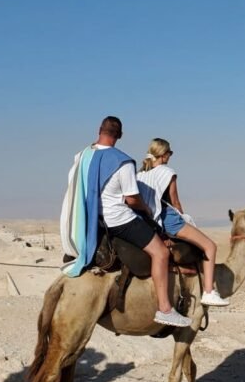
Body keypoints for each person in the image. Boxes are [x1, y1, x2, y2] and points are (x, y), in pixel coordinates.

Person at [59, 117, 191, 328]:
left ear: (99, 130)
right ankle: (165, 309)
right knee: (162, 253)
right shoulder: (123, 161)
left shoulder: (81, 156)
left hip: (94, 219)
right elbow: (131, 199)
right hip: (120, 220)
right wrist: (146, 208)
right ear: (119, 136)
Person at [136, 138, 229, 307]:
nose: (170, 156)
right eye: (169, 153)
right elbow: (175, 203)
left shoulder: (140, 175)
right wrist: (185, 219)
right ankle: (209, 291)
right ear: (163, 155)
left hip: (149, 222)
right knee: (209, 246)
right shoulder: (167, 172)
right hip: (168, 219)